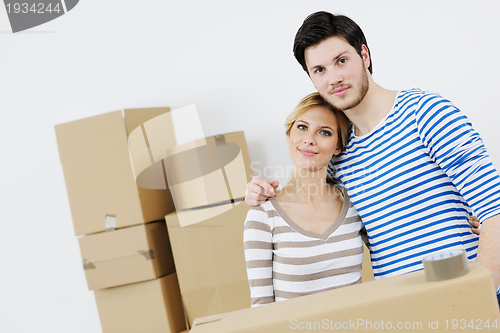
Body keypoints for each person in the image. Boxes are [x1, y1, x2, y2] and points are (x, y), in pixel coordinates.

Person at [245, 11, 500, 301]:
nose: (334, 78)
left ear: (364, 55)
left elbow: (495, 212)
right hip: (404, 313)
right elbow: (307, 197)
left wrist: (479, 301)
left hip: (469, 299)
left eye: (341, 61)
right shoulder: (337, 153)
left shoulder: (425, 113)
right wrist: (260, 191)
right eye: (320, 70)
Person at [244, 92, 366, 306]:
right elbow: (261, 307)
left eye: (325, 132)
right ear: (289, 134)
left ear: (338, 146)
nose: (309, 139)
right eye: (302, 127)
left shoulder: (356, 202)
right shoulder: (262, 216)